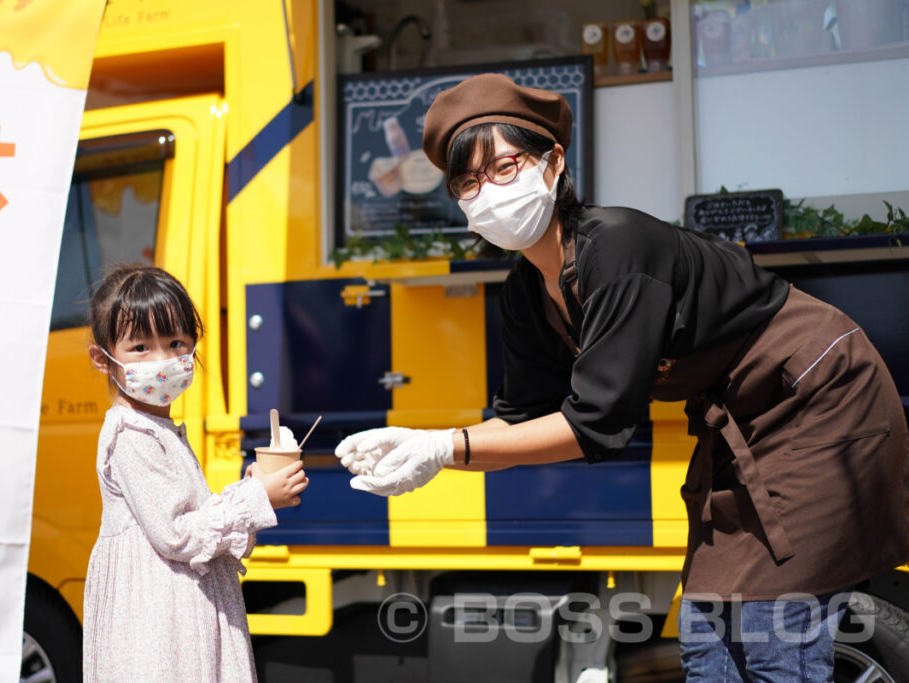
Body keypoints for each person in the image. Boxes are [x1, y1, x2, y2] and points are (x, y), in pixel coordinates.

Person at [334, 73, 909, 681]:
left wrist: (447, 447)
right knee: (708, 638)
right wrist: (425, 447)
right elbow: (522, 421)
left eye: (504, 167)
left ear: (553, 163)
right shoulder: (525, 294)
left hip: (819, 398)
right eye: (468, 182)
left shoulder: (618, 245)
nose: (488, 192)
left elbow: (596, 425)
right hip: (740, 427)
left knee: (773, 640)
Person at [82, 264, 307, 682]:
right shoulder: (130, 434)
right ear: (103, 358)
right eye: (140, 348)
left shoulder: (157, 427)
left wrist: (254, 490)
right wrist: (256, 497)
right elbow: (177, 533)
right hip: (161, 621)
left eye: (174, 343)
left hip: (178, 612)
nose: (163, 361)